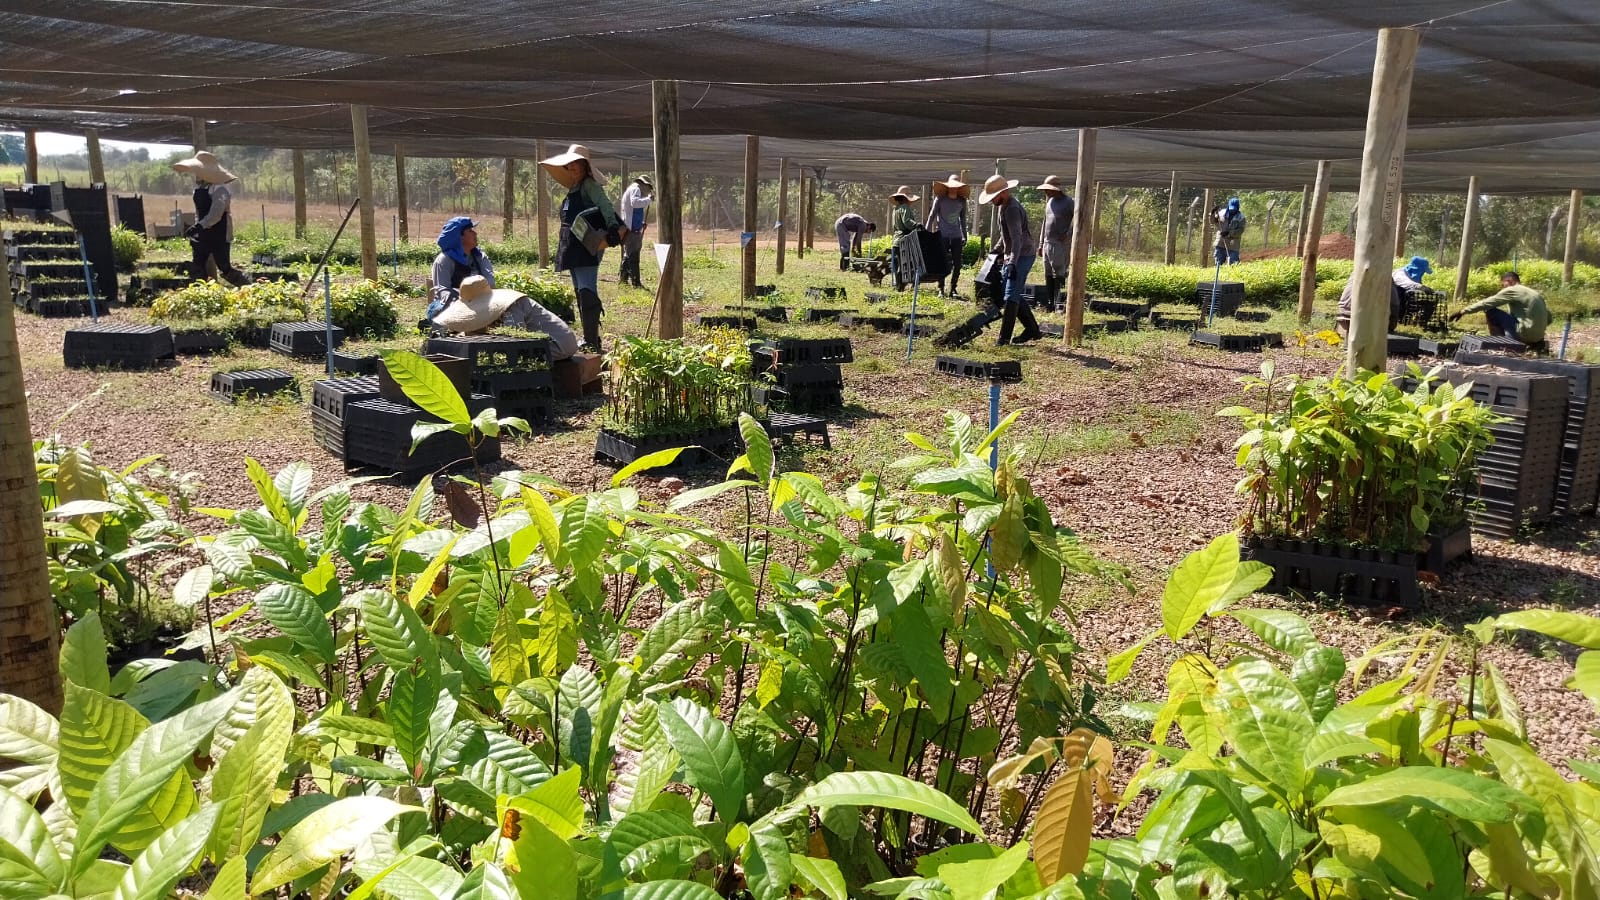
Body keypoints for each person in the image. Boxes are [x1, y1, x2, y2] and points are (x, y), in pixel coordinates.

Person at [540, 144, 625, 353]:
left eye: (576, 163)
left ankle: (592, 341)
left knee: (587, 291)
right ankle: (589, 339)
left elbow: (604, 204)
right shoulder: (574, 189)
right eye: (569, 164)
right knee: (579, 291)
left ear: (585, 166)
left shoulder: (589, 185)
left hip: (586, 247)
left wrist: (612, 228)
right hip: (573, 247)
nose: (572, 167)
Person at [432, 275, 580, 360]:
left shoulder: (513, 306)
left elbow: (513, 339)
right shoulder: (492, 308)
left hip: (558, 344)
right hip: (538, 343)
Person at [979, 174, 1042, 345]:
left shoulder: (1013, 209)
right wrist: (996, 251)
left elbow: (1017, 239)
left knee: (1010, 296)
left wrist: (1012, 262)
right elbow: (1005, 235)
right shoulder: (1003, 206)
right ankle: (1033, 330)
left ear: (1004, 192)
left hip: (1023, 255)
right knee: (1012, 293)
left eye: (994, 197)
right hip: (1014, 254)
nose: (992, 201)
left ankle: (1004, 339)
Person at [171, 151, 247, 286]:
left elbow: (216, 213)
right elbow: (199, 211)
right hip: (202, 230)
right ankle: (201, 292)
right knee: (197, 265)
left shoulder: (220, 189)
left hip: (219, 232)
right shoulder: (199, 188)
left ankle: (250, 289)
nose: (195, 175)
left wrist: (199, 226)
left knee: (224, 267)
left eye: (198, 171)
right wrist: (196, 227)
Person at [1451, 270, 1550, 347]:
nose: (1503, 288)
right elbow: (1549, 317)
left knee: (1491, 311)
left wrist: (1463, 311)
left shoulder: (1512, 290)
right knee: (1511, 319)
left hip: (1524, 333)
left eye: (1503, 285)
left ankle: (1499, 344)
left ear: (1509, 281)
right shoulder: (1533, 293)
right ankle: (1532, 344)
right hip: (1538, 337)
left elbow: (1487, 303)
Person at [429, 216, 495, 321]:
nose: (475, 234)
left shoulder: (480, 257)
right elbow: (443, 292)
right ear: (459, 236)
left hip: (480, 302)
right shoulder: (444, 260)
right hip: (452, 304)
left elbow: (490, 282)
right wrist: (465, 299)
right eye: (470, 230)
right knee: (439, 311)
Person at [925, 174, 969, 297]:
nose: (953, 188)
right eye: (952, 186)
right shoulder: (940, 199)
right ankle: (941, 289)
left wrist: (965, 235)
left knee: (957, 264)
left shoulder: (962, 201)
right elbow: (931, 216)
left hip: (956, 236)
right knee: (942, 262)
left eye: (956, 187)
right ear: (948, 187)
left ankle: (953, 289)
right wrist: (927, 232)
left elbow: (963, 219)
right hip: (942, 236)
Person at [1038, 175, 1074, 309]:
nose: (1046, 192)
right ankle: (1049, 302)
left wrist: (1068, 234)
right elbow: (1045, 222)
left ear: (1056, 189)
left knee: (1059, 272)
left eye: (1048, 189)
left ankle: (1059, 302)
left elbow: (1077, 220)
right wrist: (1041, 244)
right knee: (1048, 272)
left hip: (1060, 244)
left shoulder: (1069, 202)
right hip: (1047, 242)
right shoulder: (1049, 202)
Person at [616, 173, 653, 289]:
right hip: (631, 230)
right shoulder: (636, 189)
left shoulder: (633, 189)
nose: (648, 191)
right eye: (648, 188)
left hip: (632, 228)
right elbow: (635, 203)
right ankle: (636, 283)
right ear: (644, 184)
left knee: (629, 254)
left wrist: (641, 224)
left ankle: (623, 279)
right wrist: (648, 200)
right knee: (634, 256)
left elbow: (632, 211)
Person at [888, 186, 920, 290]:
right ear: (906, 199)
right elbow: (907, 222)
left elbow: (894, 227)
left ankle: (899, 286)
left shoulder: (895, 210)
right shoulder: (905, 208)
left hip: (896, 241)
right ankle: (901, 286)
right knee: (905, 264)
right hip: (904, 240)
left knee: (899, 265)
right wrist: (917, 225)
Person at [1213, 197, 1246, 265]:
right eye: (1231, 208)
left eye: (1234, 209)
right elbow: (1213, 221)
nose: (1232, 210)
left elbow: (1240, 231)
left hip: (1233, 244)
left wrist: (1229, 233)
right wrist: (1213, 214)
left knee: (1233, 264)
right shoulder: (1221, 213)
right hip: (1221, 243)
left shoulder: (1241, 218)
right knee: (1218, 263)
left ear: (1238, 208)